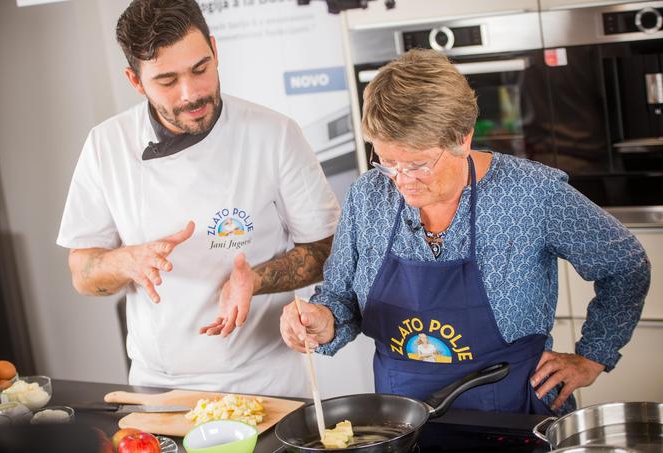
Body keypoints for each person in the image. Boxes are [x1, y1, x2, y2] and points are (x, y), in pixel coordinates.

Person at [280, 49, 650, 414]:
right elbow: (340, 296)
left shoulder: (531, 192)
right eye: (388, 161)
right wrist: (322, 321)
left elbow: (625, 265)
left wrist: (593, 356)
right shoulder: (368, 195)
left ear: (463, 138)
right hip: (402, 416)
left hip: (512, 409)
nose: (401, 181)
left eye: (417, 164)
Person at [56, 0, 340, 397]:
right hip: (158, 385)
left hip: (265, 380)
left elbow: (327, 249)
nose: (191, 93)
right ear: (135, 81)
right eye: (167, 81)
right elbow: (82, 274)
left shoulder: (275, 135)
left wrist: (255, 279)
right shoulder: (107, 145)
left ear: (215, 50)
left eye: (200, 69)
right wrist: (127, 261)